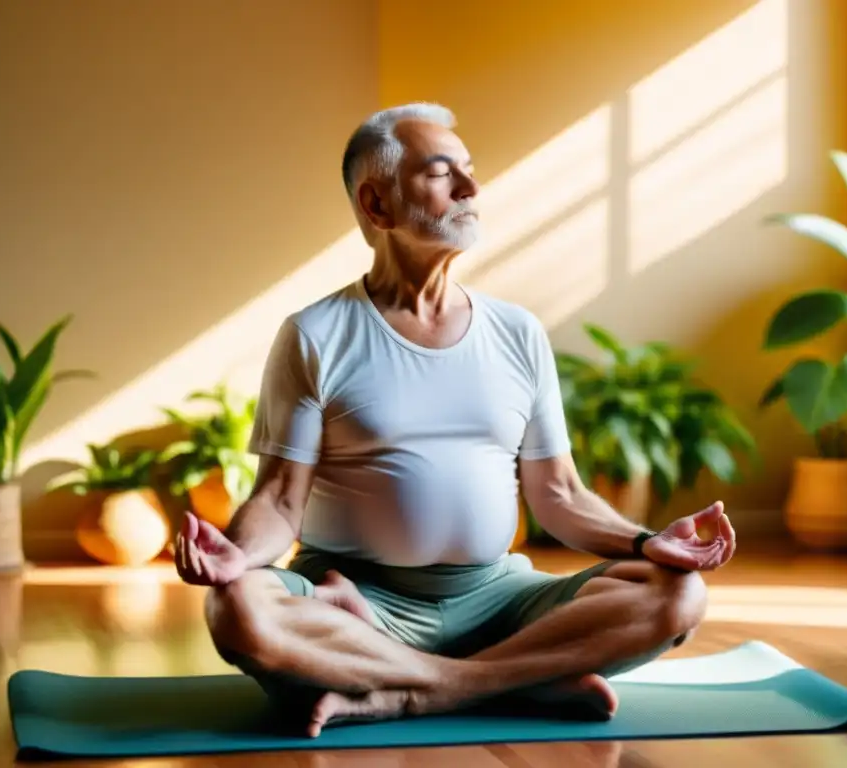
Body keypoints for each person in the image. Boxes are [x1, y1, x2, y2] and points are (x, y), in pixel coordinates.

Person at [174, 102, 737, 738]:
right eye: (444, 175)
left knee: (678, 594)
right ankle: (518, 681)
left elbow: (560, 496)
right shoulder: (315, 334)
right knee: (240, 609)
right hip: (358, 606)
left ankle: (416, 689)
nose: (472, 190)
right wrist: (236, 555)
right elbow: (279, 501)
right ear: (378, 205)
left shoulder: (518, 332)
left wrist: (645, 542)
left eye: (469, 171)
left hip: (499, 599)